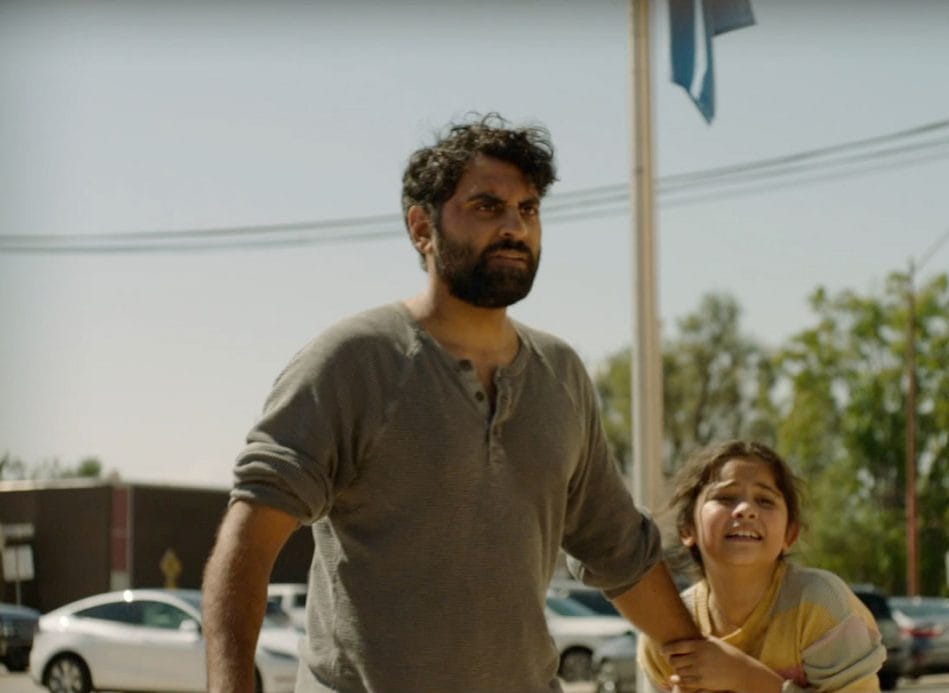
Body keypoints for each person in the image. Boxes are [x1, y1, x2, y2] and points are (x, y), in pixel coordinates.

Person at [201, 113, 699, 693]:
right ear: (422, 228)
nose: (515, 226)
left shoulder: (560, 374)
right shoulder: (355, 360)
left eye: (529, 209)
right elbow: (248, 545)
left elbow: (619, 550)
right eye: (488, 207)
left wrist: (706, 663)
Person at [638, 440, 885, 692]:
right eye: (725, 497)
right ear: (687, 529)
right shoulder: (666, 632)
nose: (745, 510)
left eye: (765, 500)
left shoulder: (819, 605)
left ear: (790, 534)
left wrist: (744, 676)